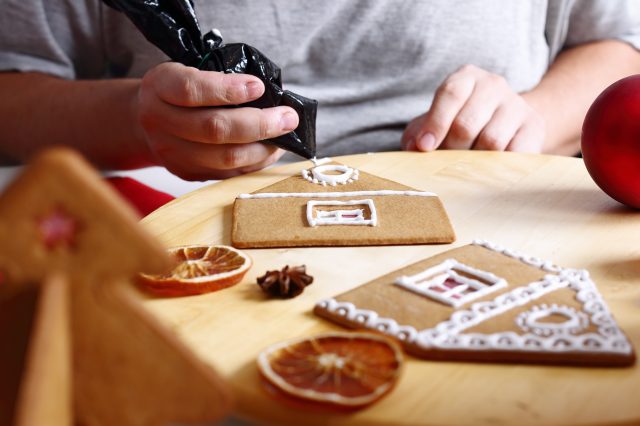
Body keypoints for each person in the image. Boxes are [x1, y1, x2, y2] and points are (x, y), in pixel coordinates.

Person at [0, 0, 639, 181]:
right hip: (199, 233)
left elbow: (619, 47)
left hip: (496, 209)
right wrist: (139, 121)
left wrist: (532, 116)